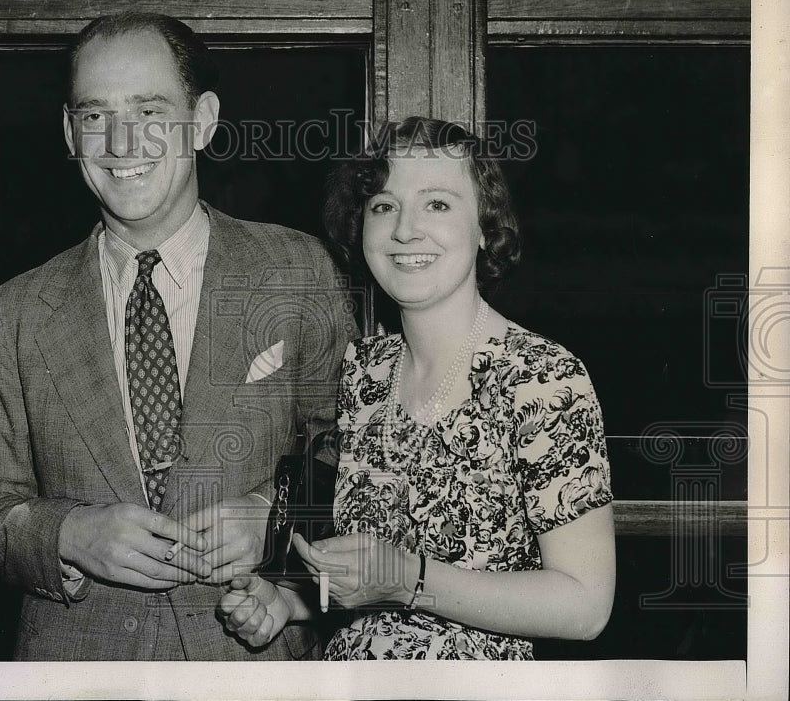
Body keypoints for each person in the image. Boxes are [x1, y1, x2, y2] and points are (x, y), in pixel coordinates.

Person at [0, 11, 358, 661]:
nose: (120, 142)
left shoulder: (297, 270)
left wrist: (276, 514)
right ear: (68, 132)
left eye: (149, 111)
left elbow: (357, 447)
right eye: (94, 115)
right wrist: (66, 534)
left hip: (251, 662)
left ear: (203, 120)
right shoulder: (16, 310)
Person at [218, 116, 615, 660]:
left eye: (437, 204)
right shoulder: (365, 371)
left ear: (484, 227)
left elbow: (586, 606)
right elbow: (374, 583)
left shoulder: (543, 379)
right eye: (383, 206)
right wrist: (293, 602)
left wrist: (410, 580)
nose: (405, 229)